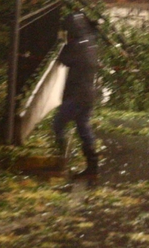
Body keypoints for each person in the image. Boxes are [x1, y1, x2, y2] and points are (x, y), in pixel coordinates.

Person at [53, 12, 99, 180]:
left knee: (58, 124)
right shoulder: (90, 42)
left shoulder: (77, 45)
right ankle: (92, 167)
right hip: (88, 94)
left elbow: (63, 59)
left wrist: (63, 43)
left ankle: (59, 158)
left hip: (77, 95)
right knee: (83, 127)